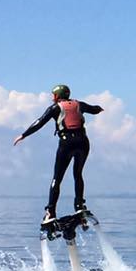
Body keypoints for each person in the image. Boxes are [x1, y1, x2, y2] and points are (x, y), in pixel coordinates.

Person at [13, 84, 104, 223]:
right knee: (78, 174)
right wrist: (100, 108)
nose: (52, 98)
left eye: (53, 95)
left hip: (67, 143)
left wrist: (23, 135)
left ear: (57, 96)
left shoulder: (55, 108)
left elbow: (39, 122)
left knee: (57, 178)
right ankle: (79, 205)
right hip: (83, 142)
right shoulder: (79, 104)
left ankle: (51, 211)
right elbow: (94, 109)